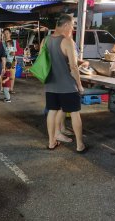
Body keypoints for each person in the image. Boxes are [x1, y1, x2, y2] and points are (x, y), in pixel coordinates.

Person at [44, 14, 87, 153]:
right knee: (75, 113)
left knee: (52, 111)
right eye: (73, 25)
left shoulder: (45, 40)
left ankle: (51, 142)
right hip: (67, 85)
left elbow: (43, 62)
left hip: (50, 84)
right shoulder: (67, 41)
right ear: (66, 25)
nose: (72, 28)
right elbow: (74, 67)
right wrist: (79, 86)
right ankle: (80, 145)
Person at [2, 28, 23, 94]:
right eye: (4, 34)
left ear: (10, 34)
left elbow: (21, 50)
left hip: (13, 62)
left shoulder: (14, 42)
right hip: (4, 62)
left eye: (7, 33)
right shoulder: (2, 43)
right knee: (4, 75)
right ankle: (3, 89)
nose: (6, 35)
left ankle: (11, 89)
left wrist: (15, 53)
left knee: (12, 76)